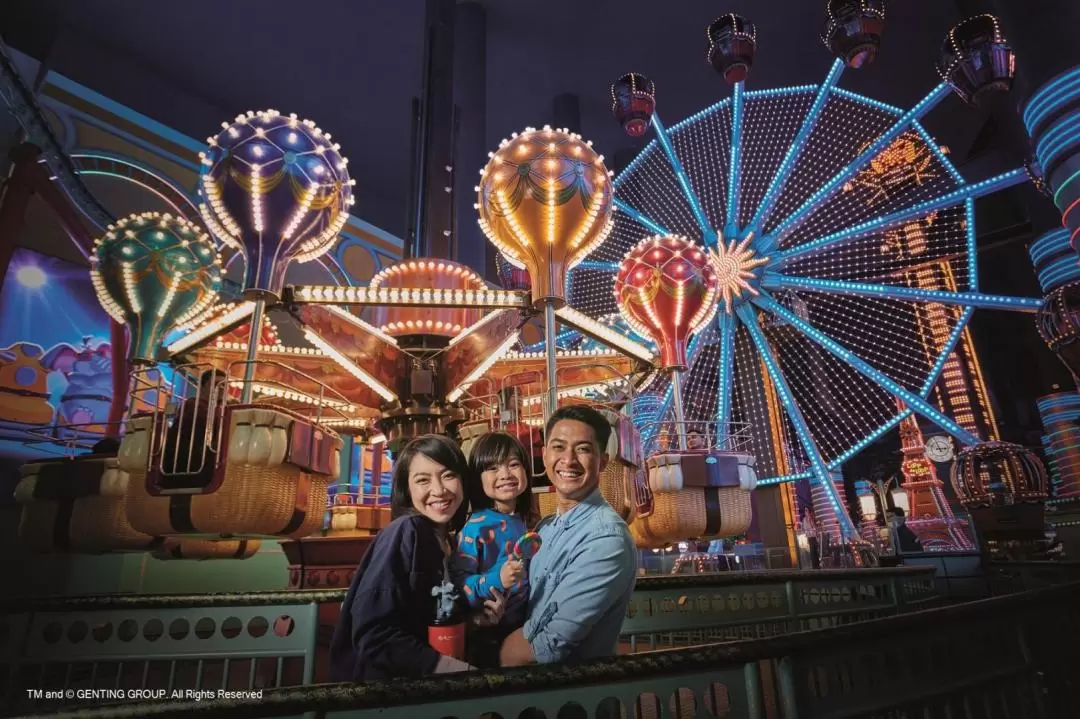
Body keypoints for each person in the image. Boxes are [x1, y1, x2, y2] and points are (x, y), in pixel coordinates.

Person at [329, 434, 505, 681]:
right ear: (406, 490)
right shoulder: (406, 531)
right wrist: (457, 673)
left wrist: (474, 621)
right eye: (423, 480)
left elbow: (424, 624)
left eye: (448, 475)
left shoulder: (448, 542)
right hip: (380, 696)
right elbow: (375, 635)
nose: (439, 490)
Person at [499, 405, 637, 667]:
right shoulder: (546, 528)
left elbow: (545, 648)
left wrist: (483, 656)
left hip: (570, 696)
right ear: (544, 454)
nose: (568, 460)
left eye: (583, 449)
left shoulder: (607, 540)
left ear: (603, 461)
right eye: (559, 447)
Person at [456, 432, 536, 668]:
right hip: (488, 635)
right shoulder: (474, 528)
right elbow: (459, 585)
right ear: (477, 478)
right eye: (492, 468)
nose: (505, 474)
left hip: (526, 627)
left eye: (513, 464)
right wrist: (496, 579)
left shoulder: (528, 521)